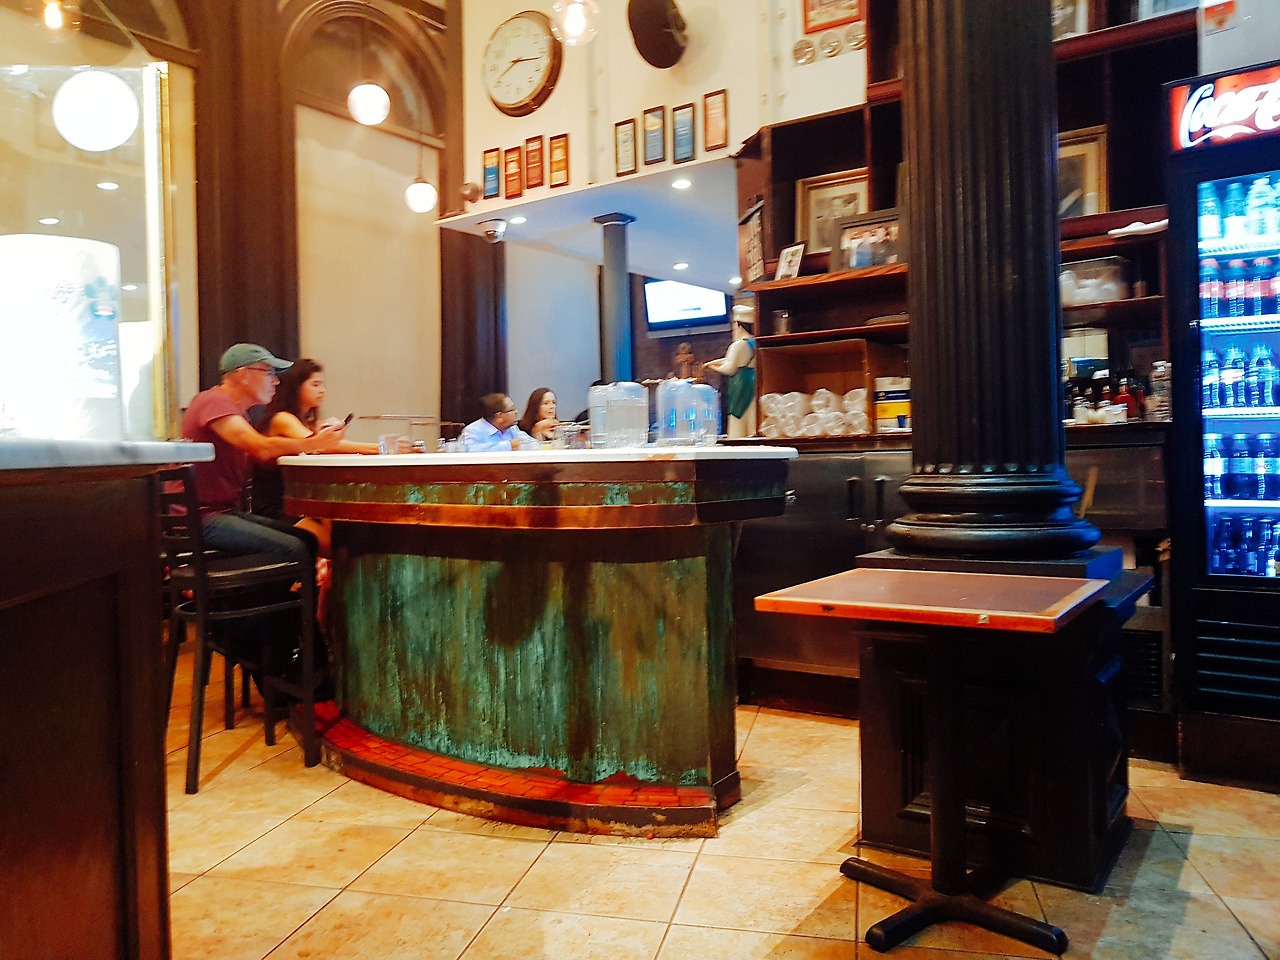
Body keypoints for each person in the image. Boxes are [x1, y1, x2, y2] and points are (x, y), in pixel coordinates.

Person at [181, 343, 346, 561]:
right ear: (243, 374)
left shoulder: (238, 414)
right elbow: (261, 447)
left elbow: (260, 453)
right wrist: (313, 443)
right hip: (200, 519)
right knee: (296, 548)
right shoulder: (213, 401)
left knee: (307, 540)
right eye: (269, 372)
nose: (276, 381)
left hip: (222, 514)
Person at [251, 358, 383, 556]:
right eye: (315, 384)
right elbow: (319, 446)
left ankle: (330, 574)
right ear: (296, 387)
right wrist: (378, 448)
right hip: (277, 509)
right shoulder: (282, 419)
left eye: (322, 384)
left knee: (352, 531)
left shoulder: (306, 422)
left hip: (298, 505)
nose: (322, 390)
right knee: (339, 545)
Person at [703, 304, 757, 438]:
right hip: (753, 382)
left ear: (739, 326)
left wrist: (712, 367)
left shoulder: (737, 345)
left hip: (740, 383)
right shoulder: (754, 343)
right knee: (751, 413)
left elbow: (730, 368)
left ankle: (737, 438)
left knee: (737, 415)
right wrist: (712, 362)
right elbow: (728, 360)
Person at [459, 393, 535, 451]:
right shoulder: (473, 430)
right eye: (512, 410)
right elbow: (469, 450)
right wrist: (508, 446)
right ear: (499, 416)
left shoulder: (512, 428)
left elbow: (531, 444)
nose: (516, 412)